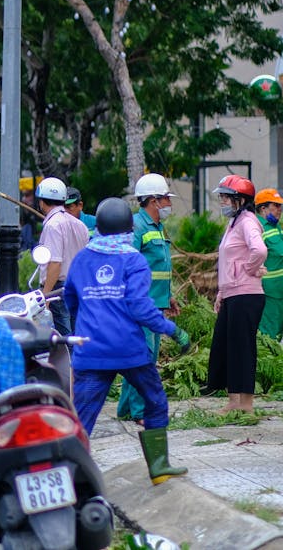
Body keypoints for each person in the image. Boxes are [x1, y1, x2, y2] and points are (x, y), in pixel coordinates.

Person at [64, 197, 191, 484]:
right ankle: (158, 468)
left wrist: (85, 325)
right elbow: (140, 306)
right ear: (127, 229)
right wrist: (172, 329)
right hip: (128, 350)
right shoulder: (133, 259)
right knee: (155, 400)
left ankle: (69, 475)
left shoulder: (82, 258)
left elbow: (71, 299)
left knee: (82, 418)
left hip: (90, 349)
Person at [206, 174, 267, 414]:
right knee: (225, 347)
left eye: (225, 197)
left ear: (240, 200)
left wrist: (249, 269)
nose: (222, 201)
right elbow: (227, 259)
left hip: (247, 294)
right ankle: (232, 400)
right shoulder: (233, 223)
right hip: (232, 294)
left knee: (243, 348)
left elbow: (259, 250)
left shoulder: (248, 221)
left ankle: (246, 404)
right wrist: (222, 293)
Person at [118, 173, 176, 423]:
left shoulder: (158, 228)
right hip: (141, 303)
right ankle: (140, 411)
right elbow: (127, 265)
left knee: (143, 356)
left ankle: (126, 409)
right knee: (143, 356)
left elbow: (162, 266)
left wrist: (169, 295)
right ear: (153, 200)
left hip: (157, 301)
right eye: (165, 199)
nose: (168, 204)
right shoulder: (137, 227)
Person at [35, 176, 89, 335]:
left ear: (42, 202)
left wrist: (45, 296)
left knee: (62, 336)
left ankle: (67, 360)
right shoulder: (80, 225)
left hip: (58, 289)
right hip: (78, 284)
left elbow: (55, 264)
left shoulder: (53, 225)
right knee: (76, 333)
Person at [255, 188, 283, 339]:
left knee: (278, 332)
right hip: (270, 293)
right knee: (270, 335)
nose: (280, 210)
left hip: (282, 292)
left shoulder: (274, 227)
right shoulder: (257, 229)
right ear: (263, 208)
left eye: (280, 206)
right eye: (276, 206)